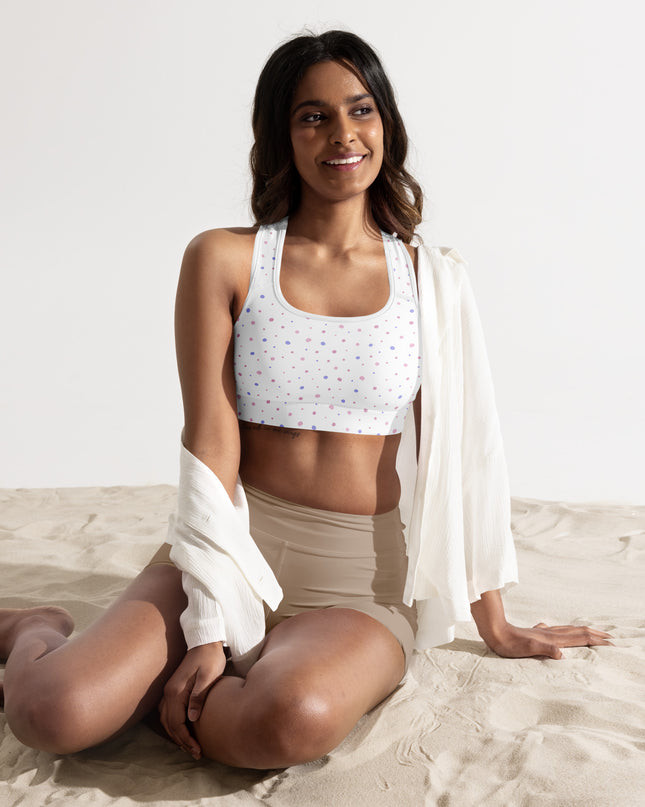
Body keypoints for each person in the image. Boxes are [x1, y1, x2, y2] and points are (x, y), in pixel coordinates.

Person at [0, 30, 611, 770]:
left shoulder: (432, 279)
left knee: (289, 720)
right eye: (313, 117)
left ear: (386, 123)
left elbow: (464, 460)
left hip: (358, 580)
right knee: (51, 712)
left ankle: (205, 681)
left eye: (360, 109)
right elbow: (210, 444)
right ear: (281, 136)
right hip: (231, 545)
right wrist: (208, 624)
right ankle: (36, 626)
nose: (342, 134)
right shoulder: (224, 258)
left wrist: (495, 620)